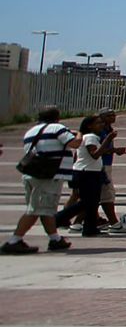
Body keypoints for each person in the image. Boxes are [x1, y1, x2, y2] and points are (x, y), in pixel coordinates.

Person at [5, 107, 78, 255]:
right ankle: (14, 241)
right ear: (57, 117)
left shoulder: (31, 131)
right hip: (48, 177)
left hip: (32, 174)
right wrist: (79, 133)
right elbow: (75, 143)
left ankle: (55, 239)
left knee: (44, 210)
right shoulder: (57, 128)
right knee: (36, 210)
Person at [56, 114, 111, 237]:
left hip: (87, 171)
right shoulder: (91, 137)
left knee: (92, 202)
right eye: (98, 123)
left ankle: (90, 228)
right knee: (87, 202)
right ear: (89, 126)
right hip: (87, 173)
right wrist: (108, 139)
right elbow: (95, 154)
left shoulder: (87, 137)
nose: (101, 125)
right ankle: (59, 218)